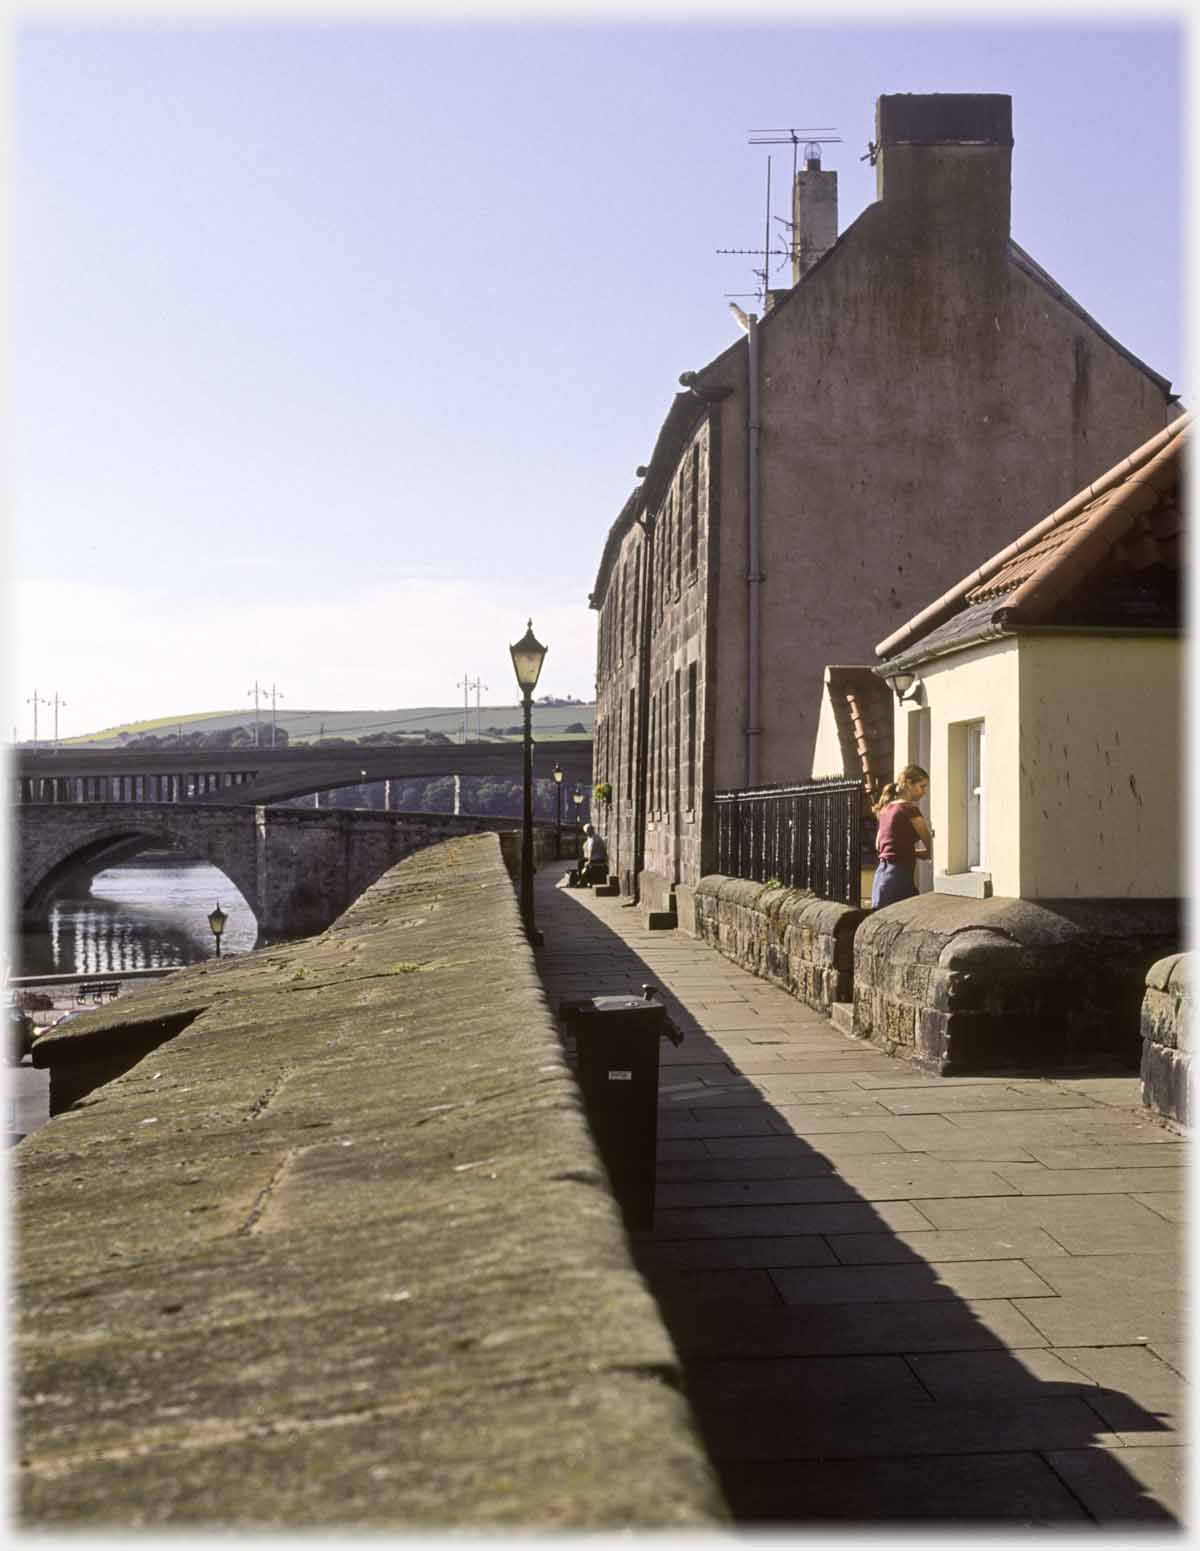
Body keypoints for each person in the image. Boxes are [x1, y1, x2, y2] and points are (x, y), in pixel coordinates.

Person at [870, 765, 932, 909]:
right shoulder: (909, 809)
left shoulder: (886, 808)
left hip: (882, 875)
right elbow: (928, 840)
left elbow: (879, 845)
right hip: (899, 876)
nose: (924, 791)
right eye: (922, 786)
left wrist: (912, 852)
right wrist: (928, 853)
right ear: (909, 783)